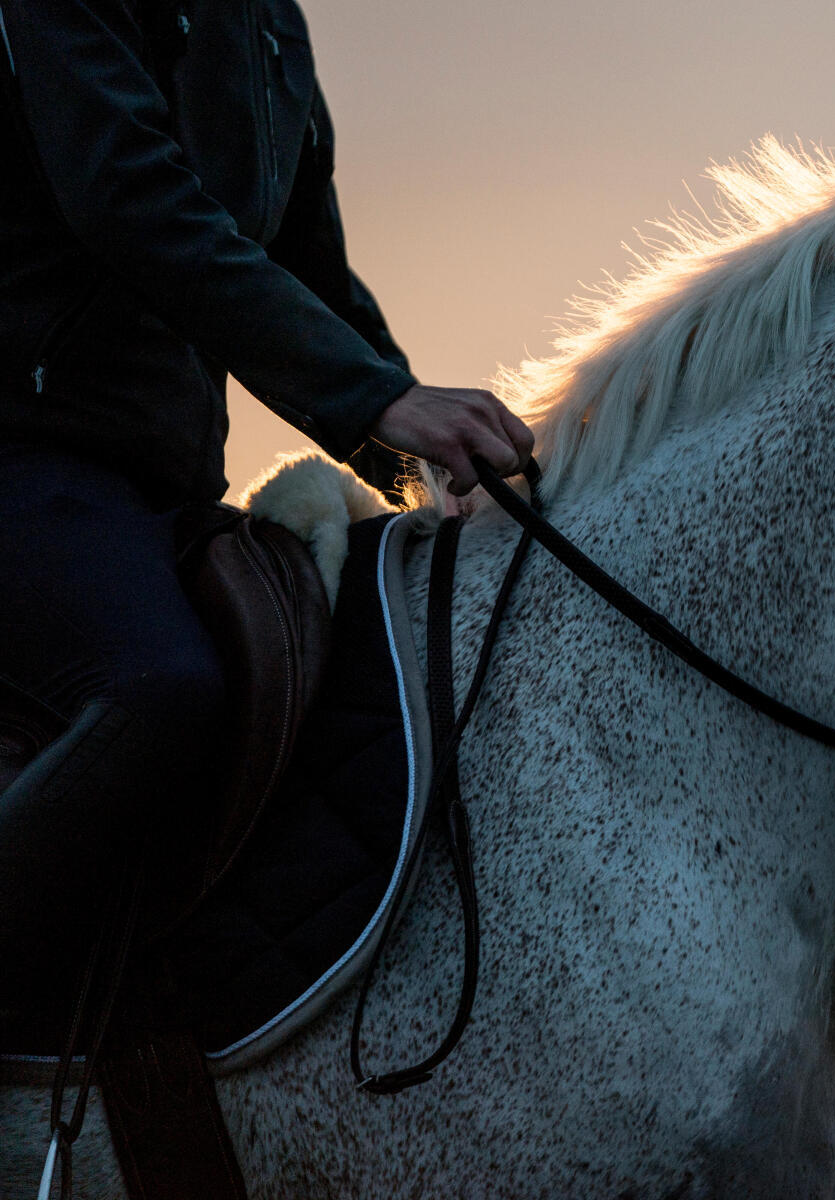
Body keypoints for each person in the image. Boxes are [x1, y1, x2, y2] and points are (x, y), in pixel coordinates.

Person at [0, 0, 533, 1020]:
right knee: (159, 685)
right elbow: (127, 193)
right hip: (22, 459)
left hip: (155, 490)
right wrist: (374, 401)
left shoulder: (269, 23)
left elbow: (311, 276)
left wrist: (433, 465)